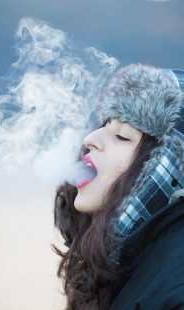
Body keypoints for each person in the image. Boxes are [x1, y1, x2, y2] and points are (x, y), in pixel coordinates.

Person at [53, 63, 184, 309]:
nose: (89, 139)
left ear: (171, 168)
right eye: (104, 125)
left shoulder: (177, 286)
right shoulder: (128, 262)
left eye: (122, 136)